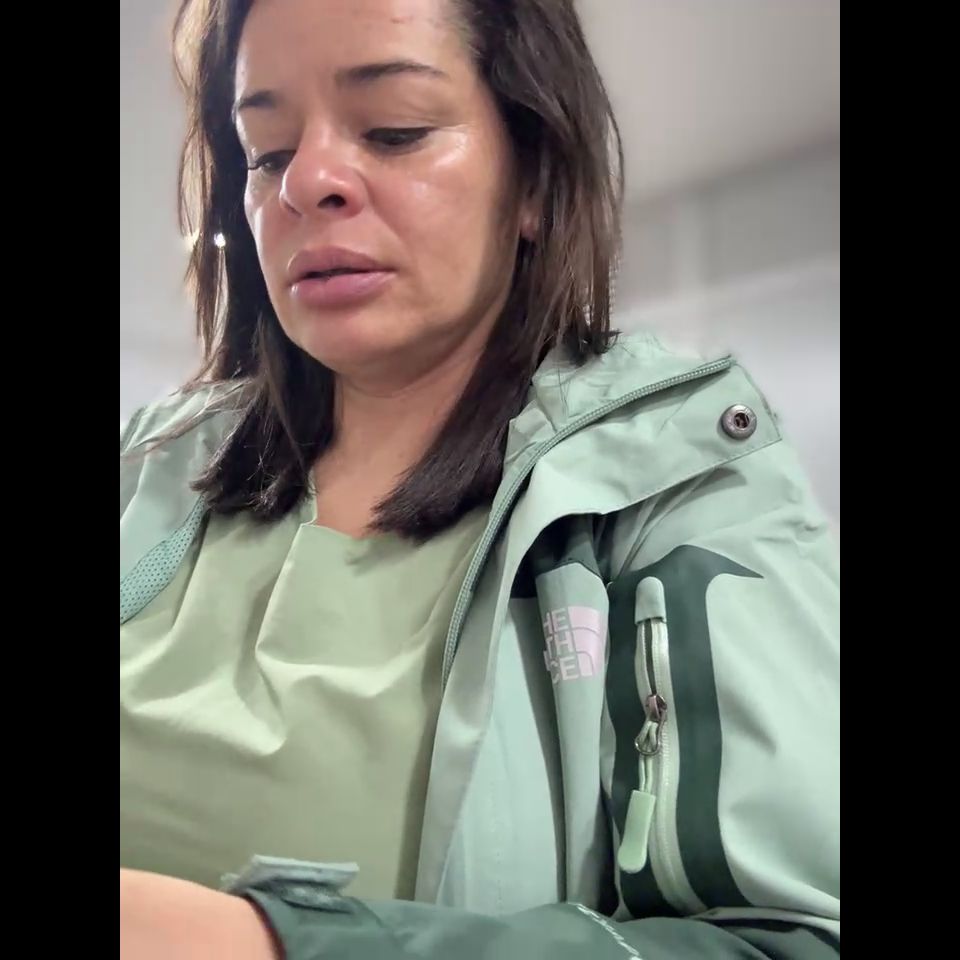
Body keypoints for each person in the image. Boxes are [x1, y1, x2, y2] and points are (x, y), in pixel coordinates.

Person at [119, 1, 840, 957]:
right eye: (268, 151)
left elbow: (788, 941)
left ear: (533, 178)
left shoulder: (675, 485)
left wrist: (262, 943)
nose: (308, 181)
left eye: (394, 131)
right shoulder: (148, 464)